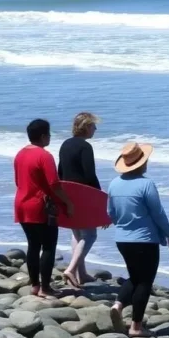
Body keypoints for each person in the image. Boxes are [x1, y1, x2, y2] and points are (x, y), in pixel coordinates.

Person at [107, 142, 169, 337]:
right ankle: (136, 327)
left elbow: (110, 213)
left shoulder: (114, 183)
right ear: (141, 163)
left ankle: (118, 304)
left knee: (135, 277)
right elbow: (158, 213)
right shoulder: (146, 184)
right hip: (145, 240)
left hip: (122, 239)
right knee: (145, 281)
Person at [14, 119, 73, 298]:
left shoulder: (20, 154)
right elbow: (54, 184)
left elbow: (18, 181)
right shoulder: (44, 155)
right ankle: (45, 288)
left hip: (21, 204)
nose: (50, 137)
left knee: (33, 245)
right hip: (39, 206)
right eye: (49, 134)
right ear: (43, 136)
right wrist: (68, 203)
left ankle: (34, 285)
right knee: (48, 246)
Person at [59, 112, 102, 288]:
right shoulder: (85, 147)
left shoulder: (65, 144)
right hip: (82, 194)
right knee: (91, 234)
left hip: (67, 192)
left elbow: (60, 171)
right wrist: (99, 197)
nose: (95, 129)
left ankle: (82, 274)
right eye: (93, 126)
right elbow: (90, 175)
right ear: (85, 127)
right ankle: (71, 269)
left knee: (77, 233)